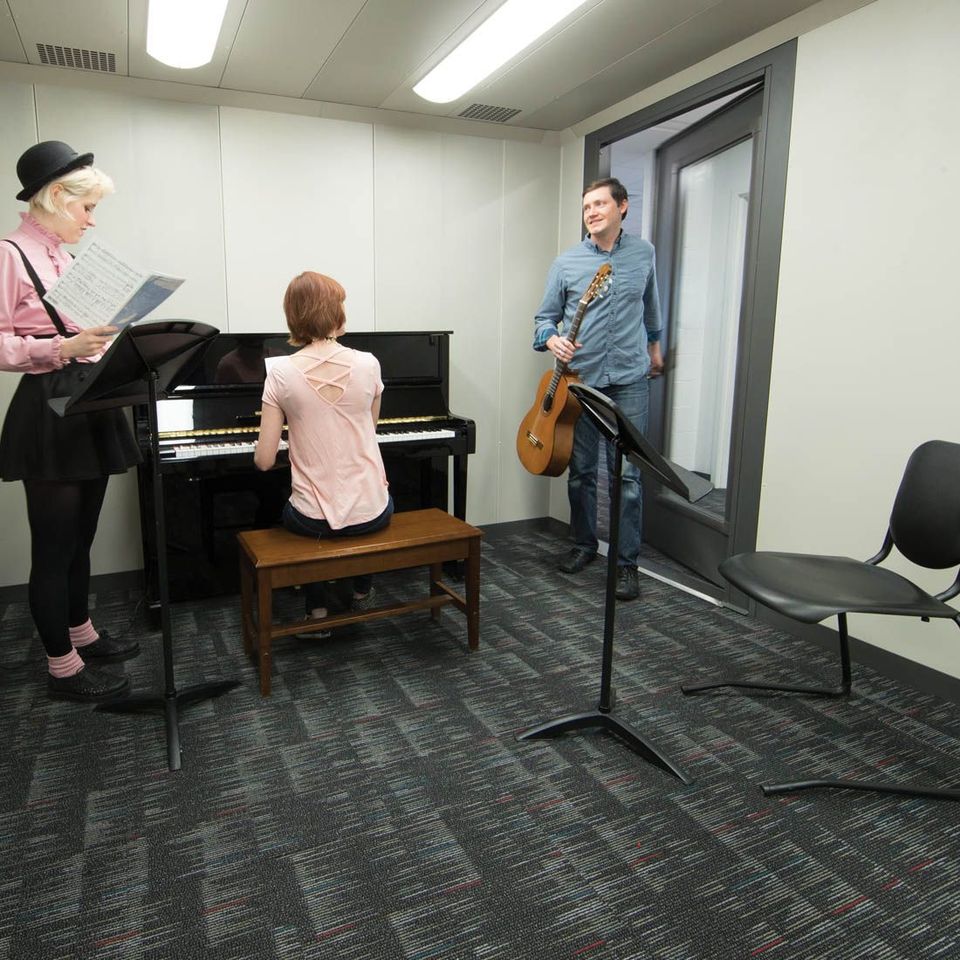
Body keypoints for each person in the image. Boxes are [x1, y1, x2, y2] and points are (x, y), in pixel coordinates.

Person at [0, 140, 142, 701]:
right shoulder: (10, 254)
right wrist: (60, 348)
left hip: (89, 402)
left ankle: (81, 633)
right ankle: (61, 666)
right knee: (55, 547)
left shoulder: (66, 256)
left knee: (82, 538)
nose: (92, 219)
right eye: (87, 208)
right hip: (50, 409)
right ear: (57, 197)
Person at [532, 177, 663, 602]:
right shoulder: (567, 263)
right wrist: (551, 338)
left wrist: (655, 346)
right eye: (586, 205)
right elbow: (543, 319)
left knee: (627, 478)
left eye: (600, 203)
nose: (591, 211)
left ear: (622, 207)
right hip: (580, 383)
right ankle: (584, 545)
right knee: (582, 471)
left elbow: (651, 304)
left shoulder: (644, 254)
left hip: (630, 379)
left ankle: (626, 566)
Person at [254, 271, 392, 629]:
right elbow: (368, 431)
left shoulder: (281, 372)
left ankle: (317, 611)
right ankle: (362, 591)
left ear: (293, 315)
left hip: (311, 520)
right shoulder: (369, 362)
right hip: (373, 512)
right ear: (336, 313)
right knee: (369, 507)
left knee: (303, 513)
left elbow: (265, 461)